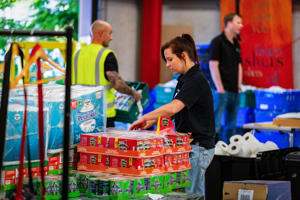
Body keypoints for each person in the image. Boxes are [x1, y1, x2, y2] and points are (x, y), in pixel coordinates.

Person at [130, 34, 215, 196]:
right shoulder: (184, 79)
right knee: (184, 194)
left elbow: (174, 108)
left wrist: (145, 117)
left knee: (192, 195)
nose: (167, 65)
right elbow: (178, 112)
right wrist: (152, 122)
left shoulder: (195, 80)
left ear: (183, 56)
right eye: (166, 60)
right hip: (188, 145)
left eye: (170, 59)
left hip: (198, 147)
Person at [72, 20, 142, 127]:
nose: (111, 37)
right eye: (109, 33)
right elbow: (117, 84)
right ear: (101, 33)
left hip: (79, 113)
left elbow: (67, 81)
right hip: (102, 114)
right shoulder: (106, 55)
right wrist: (134, 93)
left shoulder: (76, 54)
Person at [209, 13, 243, 144]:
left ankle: (228, 155)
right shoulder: (217, 42)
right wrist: (220, 87)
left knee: (231, 126)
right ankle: (212, 155)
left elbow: (239, 66)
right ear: (229, 23)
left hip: (234, 90)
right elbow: (213, 65)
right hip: (221, 91)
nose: (241, 25)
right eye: (238, 22)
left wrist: (239, 86)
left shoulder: (236, 44)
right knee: (215, 125)